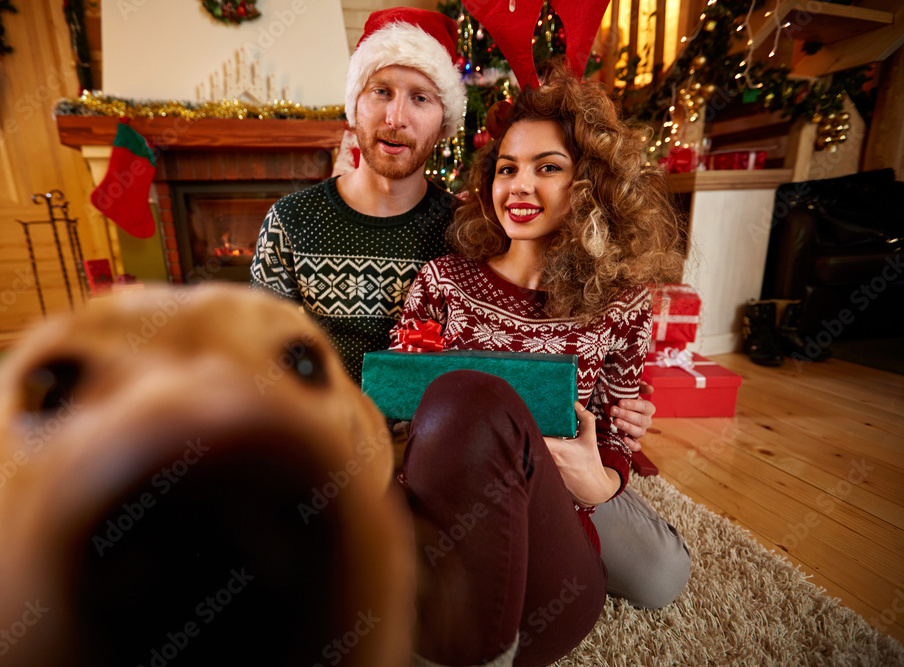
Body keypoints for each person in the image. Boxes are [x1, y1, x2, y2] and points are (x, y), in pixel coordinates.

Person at [251, 5, 687, 614]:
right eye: (380, 91)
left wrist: (609, 466)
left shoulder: (459, 230)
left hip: (546, 476)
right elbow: (279, 365)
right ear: (356, 102)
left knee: (654, 573)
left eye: (421, 98)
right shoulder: (405, 259)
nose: (397, 117)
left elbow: (613, 413)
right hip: (394, 456)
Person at [394, 61, 687, 666]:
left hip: (561, 509)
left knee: (661, 575)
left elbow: (614, 432)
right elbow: (400, 405)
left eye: (547, 167)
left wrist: (601, 477)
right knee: (469, 404)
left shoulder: (623, 305)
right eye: (507, 168)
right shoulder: (440, 284)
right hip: (451, 508)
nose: (518, 187)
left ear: (591, 184)